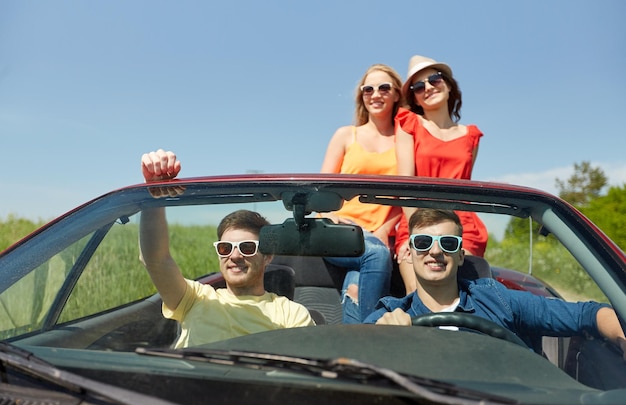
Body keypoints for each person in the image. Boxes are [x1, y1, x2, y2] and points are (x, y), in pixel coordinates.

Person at [364, 209, 626, 359]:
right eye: (422, 243)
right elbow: (345, 356)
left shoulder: (498, 300)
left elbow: (589, 314)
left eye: (448, 243)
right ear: (408, 253)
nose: (435, 252)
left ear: (461, 255)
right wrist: (380, 338)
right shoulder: (391, 316)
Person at [139, 149, 314, 348]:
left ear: (268, 256)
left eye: (247, 247)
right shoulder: (195, 298)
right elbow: (155, 260)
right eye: (225, 248)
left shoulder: (291, 314)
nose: (235, 255)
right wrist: (153, 193)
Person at [394, 55, 488, 294]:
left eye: (434, 79)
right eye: (418, 86)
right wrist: (416, 234)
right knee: (419, 297)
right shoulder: (408, 123)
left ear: (448, 84)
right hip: (418, 222)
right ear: (414, 97)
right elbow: (405, 185)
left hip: (463, 227)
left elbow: (463, 185)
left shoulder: (471, 136)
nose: (427, 88)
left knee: (469, 300)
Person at [320, 64, 403, 323]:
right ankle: (369, 337)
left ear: (397, 94)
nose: (375, 94)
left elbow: (406, 197)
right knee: (375, 254)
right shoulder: (346, 135)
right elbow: (321, 189)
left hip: (378, 235)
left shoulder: (405, 140)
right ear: (361, 95)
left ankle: (353, 350)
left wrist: (385, 229)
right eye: (368, 89)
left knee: (359, 278)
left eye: (384, 88)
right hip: (338, 230)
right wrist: (328, 215)